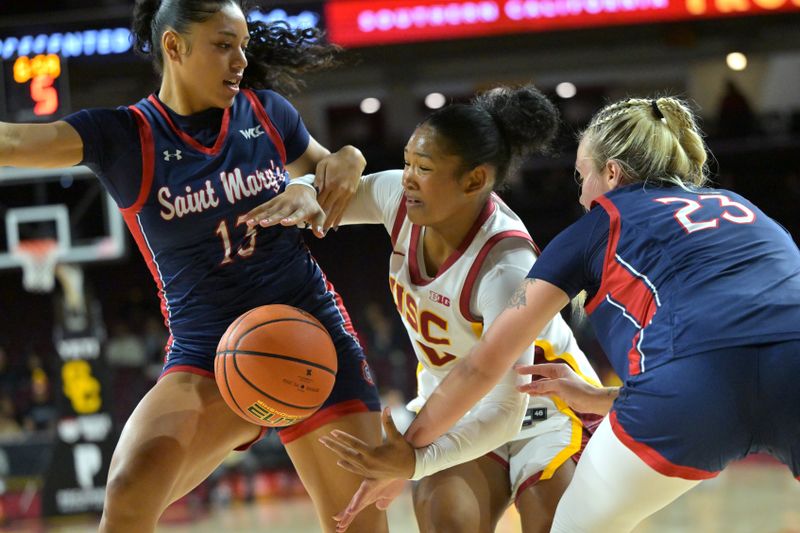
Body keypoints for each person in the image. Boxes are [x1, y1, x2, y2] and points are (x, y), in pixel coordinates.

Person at [318, 95, 800, 532]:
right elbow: (747, 343)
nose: (580, 194)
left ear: (611, 174)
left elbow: (486, 364)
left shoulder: (588, 230)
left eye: (581, 175)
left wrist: (410, 452)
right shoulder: (742, 208)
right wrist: (608, 398)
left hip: (646, 399)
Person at [0, 1, 387, 532]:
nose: (240, 61)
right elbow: (14, 141)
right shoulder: (123, 137)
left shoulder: (268, 113)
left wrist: (351, 156)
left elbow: (331, 170)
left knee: (357, 525)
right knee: (129, 493)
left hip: (310, 334)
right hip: (209, 351)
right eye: (224, 46)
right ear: (174, 47)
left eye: (243, 46)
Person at [250, 85, 601, 533]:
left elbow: (505, 410)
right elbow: (329, 191)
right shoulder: (400, 197)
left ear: (474, 181)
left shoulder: (507, 267)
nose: (408, 176)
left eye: (425, 168)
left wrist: (413, 461)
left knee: (550, 525)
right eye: (408, 162)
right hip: (453, 407)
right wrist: (303, 188)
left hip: (545, 411)